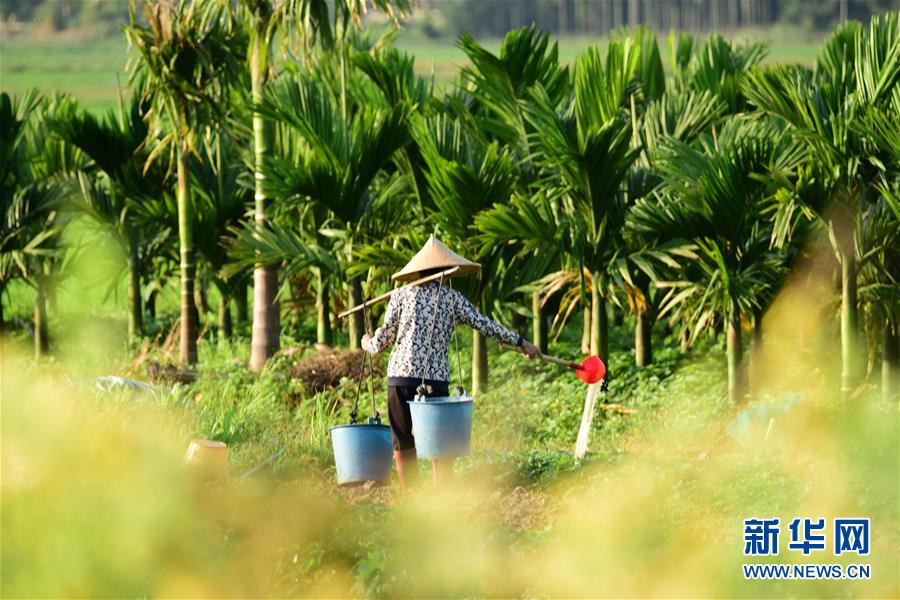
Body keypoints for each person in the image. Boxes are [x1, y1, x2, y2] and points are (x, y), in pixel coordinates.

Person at [362, 235, 540, 488]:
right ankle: (441, 502)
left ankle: (412, 497)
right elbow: (485, 324)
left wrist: (366, 341)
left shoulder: (401, 295)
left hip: (401, 376)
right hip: (436, 380)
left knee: (402, 438)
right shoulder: (452, 298)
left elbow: (380, 343)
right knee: (439, 443)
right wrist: (521, 342)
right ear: (445, 270)